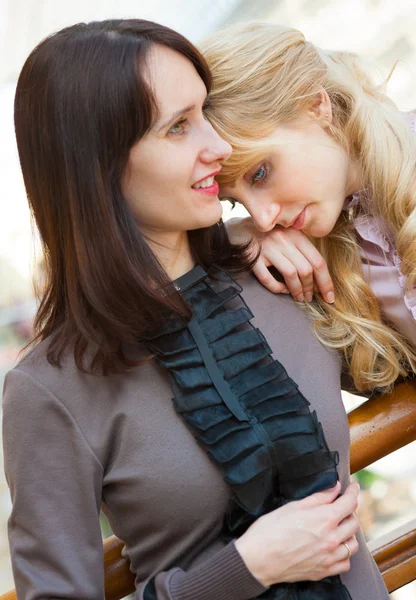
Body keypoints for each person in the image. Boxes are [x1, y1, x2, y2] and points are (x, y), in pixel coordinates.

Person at [2, 19, 388, 600]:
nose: (219, 146)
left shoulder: (280, 268)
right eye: (179, 127)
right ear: (98, 167)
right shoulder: (48, 389)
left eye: (204, 112)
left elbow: (395, 364)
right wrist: (244, 568)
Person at [201, 21, 416, 393]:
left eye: (260, 174)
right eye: (234, 201)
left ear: (317, 107)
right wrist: (233, 235)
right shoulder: (331, 262)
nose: (263, 219)